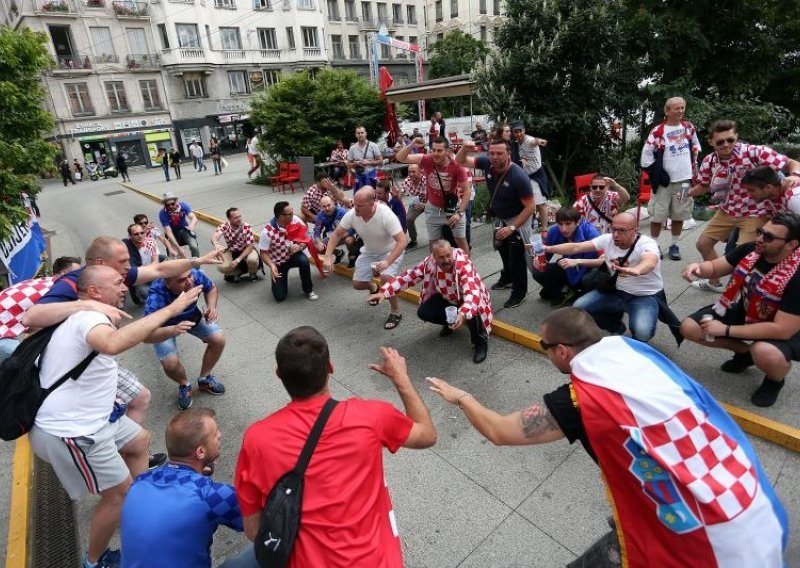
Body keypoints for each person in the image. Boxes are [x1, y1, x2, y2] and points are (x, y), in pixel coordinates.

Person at [426, 307, 787, 567]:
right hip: (740, 495)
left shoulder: (580, 400)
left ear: (562, 351)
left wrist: (462, 397)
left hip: (700, 534)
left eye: (544, 346)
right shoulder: (636, 353)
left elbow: (499, 431)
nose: (546, 352)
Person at [29, 265, 201, 568]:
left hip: (92, 419)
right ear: (94, 291)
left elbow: (137, 336)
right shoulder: (89, 317)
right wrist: (173, 308)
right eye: (117, 282)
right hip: (73, 431)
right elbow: (112, 343)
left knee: (138, 440)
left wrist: (170, 327)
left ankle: (144, 504)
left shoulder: (93, 316)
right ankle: (94, 560)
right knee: (116, 495)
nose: (125, 286)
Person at [234, 326, 437, 567]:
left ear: (279, 374)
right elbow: (427, 434)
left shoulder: (256, 439)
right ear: (330, 368)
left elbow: (254, 530)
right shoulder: (370, 416)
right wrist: (401, 379)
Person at [680, 213, 800, 407]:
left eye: (768, 237)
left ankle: (774, 380)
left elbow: (781, 329)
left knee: (765, 352)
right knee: (690, 327)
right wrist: (698, 267)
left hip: (788, 329)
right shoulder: (753, 249)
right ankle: (746, 353)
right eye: (761, 232)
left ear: (791, 245)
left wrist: (725, 330)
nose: (760, 238)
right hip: (748, 311)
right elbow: (715, 267)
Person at [121, 408, 247, 568]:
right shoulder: (209, 495)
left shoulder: (139, 483)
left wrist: (200, 473)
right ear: (200, 452)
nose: (220, 435)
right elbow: (259, 520)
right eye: (215, 434)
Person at [687, 119, 800, 292]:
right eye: (720, 142)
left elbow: (790, 162)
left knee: (745, 256)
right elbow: (704, 185)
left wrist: (795, 175)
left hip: (754, 212)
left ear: (736, 137)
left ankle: (740, 295)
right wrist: (685, 195)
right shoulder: (710, 161)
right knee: (703, 244)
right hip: (727, 210)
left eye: (730, 140)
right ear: (711, 142)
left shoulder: (754, 152)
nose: (726, 144)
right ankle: (714, 282)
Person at [544, 212, 679, 343]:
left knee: (642, 331)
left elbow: (650, 260)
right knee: (580, 306)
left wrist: (637, 270)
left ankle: (638, 348)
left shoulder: (646, 244)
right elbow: (576, 247)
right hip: (617, 292)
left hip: (644, 296)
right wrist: (548, 248)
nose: (616, 235)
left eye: (622, 231)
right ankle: (616, 328)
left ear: (635, 230)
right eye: (614, 230)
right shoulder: (607, 239)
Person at [369, 240, 492, 363]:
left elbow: (471, 293)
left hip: (472, 299)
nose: (446, 260)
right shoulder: (429, 262)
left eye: (448, 255)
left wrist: (463, 313)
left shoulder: (463, 264)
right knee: (424, 312)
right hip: (448, 297)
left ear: (452, 252)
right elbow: (409, 277)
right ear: (434, 257)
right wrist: (383, 292)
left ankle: (480, 342)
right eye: (441, 257)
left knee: (473, 312)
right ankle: (450, 323)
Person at [456, 138, 536, 308]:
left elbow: (531, 208)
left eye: (500, 153)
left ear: (509, 154)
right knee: (501, 247)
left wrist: (512, 227)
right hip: (501, 216)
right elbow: (460, 160)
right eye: (492, 153)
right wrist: (464, 147)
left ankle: (519, 292)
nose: (495, 157)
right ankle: (507, 277)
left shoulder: (518, 177)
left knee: (517, 256)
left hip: (518, 218)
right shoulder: (487, 163)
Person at [323, 188, 408, 330]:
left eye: (360, 205)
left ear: (372, 203)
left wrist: (387, 262)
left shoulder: (385, 214)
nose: (355, 207)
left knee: (386, 278)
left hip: (390, 251)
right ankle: (373, 288)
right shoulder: (352, 214)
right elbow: (337, 235)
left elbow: (402, 241)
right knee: (357, 284)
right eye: (355, 203)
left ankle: (395, 311)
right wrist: (327, 256)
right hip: (369, 252)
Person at [144, 269, 227, 410]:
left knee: (218, 338)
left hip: (190, 317)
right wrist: (172, 330)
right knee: (170, 363)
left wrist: (211, 308)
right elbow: (147, 335)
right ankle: (184, 384)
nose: (189, 281)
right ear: (167, 283)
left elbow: (211, 287)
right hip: (164, 327)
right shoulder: (156, 297)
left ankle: (204, 379)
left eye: (189, 276)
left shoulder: (194, 275)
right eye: (181, 280)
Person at [640, 96, 701, 260]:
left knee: (679, 214)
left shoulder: (689, 128)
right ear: (667, 111)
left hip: (684, 183)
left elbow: (696, 145)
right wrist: (657, 173)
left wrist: (693, 160)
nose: (681, 111)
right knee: (657, 216)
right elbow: (645, 158)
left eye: (682, 108)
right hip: (663, 185)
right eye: (677, 108)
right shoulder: (658, 132)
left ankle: (674, 245)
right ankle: (654, 246)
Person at [395, 136, 471, 254]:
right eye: (433, 150)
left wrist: (459, 213)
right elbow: (400, 157)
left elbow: (467, 191)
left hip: (453, 209)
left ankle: (467, 268)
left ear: (447, 151)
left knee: (460, 240)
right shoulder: (427, 159)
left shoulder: (456, 166)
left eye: (439, 150)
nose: (435, 153)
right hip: (433, 209)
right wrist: (412, 144)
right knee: (433, 243)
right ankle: (435, 269)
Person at [0, 256, 82, 362]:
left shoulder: (44, 282)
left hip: (6, 329)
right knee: (40, 363)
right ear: (64, 273)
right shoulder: (53, 291)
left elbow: (32, 325)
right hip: (3, 334)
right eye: (76, 274)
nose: (80, 277)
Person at [532, 207, 602, 307]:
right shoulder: (554, 231)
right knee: (538, 272)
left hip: (588, 271)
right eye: (560, 224)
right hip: (568, 267)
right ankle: (563, 293)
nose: (564, 228)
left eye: (568, 224)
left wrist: (578, 261)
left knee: (584, 304)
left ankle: (575, 290)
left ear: (577, 222)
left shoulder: (592, 233)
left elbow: (603, 261)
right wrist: (538, 260)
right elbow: (544, 255)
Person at [260, 201, 320, 302]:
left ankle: (308, 290)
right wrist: (272, 265)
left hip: (293, 256)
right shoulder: (267, 231)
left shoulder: (296, 220)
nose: (294, 215)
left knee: (304, 261)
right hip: (278, 262)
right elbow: (263, 253)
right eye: (290, 214)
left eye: (292, 212)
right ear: (281, 216)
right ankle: (276, 275)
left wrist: (300, 246)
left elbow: (307, 239)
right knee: (280, 297)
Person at [510, 121, 550, 234]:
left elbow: (535, 141)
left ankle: (545, 229)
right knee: (525, 203)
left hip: (536, 175)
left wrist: (539, 141)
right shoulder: (515, 144)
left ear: (524, 131)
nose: (518, 134)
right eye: (516, 132)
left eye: (520, 131)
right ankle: (530, 225)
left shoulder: (528, 140)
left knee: (541, 202)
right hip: (524, 176)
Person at [211, 207, 259, 283]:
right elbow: (215, 236)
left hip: (246, 250)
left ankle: (252, 272)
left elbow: (250, 246)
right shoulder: (224, 226)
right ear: (229, 219)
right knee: (220, 266)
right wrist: (215, 243)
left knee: (252, 260)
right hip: (233, 251)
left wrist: (238, 259)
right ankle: (237, 272)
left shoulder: (246, 227)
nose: (239, 219)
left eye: (240, 216)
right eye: (236, 218)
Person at [123, 223, 159, 305]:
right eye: (136, 234)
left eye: (142, 233)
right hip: (138, 276)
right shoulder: (126, 247)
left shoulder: (150, 242)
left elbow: (155, 262)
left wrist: (147, 271)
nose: (140, 236)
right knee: (147, 295)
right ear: (130, 236)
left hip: (150, 271)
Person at [159, 192, 200, 259]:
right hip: (172, 232)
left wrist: (192, 225)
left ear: (176, 202)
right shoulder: (162, 213)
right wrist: (179, 248)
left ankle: (196, 267)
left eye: (172, 204)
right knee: (175, 255)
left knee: (194, 247)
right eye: (167, 205)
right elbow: (168, 232)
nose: (170, 206)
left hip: (184, 229)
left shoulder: (183, 206)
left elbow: (193, 218)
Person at [399, 162, 427, 249]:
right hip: (417, 202)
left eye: (413, 172)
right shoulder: (407, 180)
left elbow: (433, 195)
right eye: (409, 172)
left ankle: (439, 238)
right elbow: (401, 192)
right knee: (408, 219)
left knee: (433, 220)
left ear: (420, 171)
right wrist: (397, 201)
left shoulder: (426, 180)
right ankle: (413, 240)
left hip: (430, 202)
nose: (411, 174)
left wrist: (426, 205)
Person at [346, 125, 382, 189]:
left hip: (371, 174)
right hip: (359, 176)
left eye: (362, 132)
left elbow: (380, 161)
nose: (360, 134)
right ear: (356, 135)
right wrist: (356, 164)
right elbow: (348, 164)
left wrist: (368, 163)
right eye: (358, 133)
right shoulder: (352, 148)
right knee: (361, 196)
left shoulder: (373, 145)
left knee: (372, 195)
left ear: (366, 133)